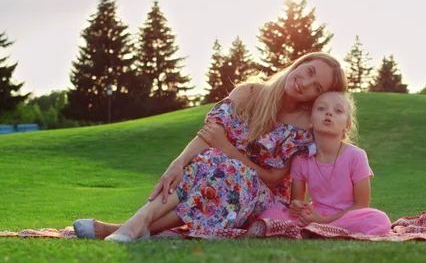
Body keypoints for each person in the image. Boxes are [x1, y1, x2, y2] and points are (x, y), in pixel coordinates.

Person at [73, 52, 349, 241]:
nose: (306, 83)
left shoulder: (304, 124)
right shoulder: (249, 93)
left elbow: (276, 178)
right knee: (214, 161)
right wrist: (178, 164)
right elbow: (209, 134)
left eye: (316, 86)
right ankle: (139, 222)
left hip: (261, 198)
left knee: (225, 164)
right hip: (216, 177)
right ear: (299, 63)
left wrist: (230, 152)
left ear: (319, 95)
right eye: (309, 71)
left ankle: (125, 226)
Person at [258, 91, 391, 235]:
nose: (328, 113)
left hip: (347, 217)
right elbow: (297, 201)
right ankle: (318, 229)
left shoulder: (356, 156)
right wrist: (297, 207)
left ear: (347, 125)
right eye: (321, 108)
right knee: (273, 212)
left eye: (338, 110)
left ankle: (321, 228)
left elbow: (361, 205)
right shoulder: (301, 159)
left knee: (378, 219)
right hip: (315, 215)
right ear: (311, 120)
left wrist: (324, 221)